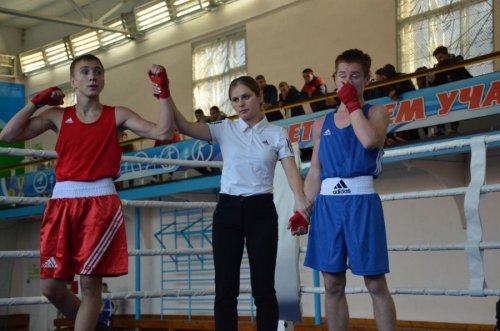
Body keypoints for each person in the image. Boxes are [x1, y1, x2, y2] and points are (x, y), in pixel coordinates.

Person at [0, 54, 174, 331]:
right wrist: (36, 102)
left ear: (103, 80)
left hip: (100, 202)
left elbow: (163, 133)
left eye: (97, 72)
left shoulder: (118, 114)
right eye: (85, 72)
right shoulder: (57, 116)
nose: (92, 76)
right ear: (73, 81)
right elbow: (8, 136)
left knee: (90, 284)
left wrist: (163, 92)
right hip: (61, 203)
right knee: (50, 287)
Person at [149, 69, 310, 331]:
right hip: (228, 212)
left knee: (264, 289)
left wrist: (301, 202)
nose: (241, 103)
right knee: (225, 289)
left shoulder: (277, 134)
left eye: (246, 96)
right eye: (235, 99)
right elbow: (184, 126)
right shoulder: (225, 129)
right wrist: (165, 94)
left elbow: (292, 170)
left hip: (261, 210)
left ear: (260, 97)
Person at [302, 49, 396, 331]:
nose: (347, 81)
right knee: (331, 282)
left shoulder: (376, 112)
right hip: (328, 206)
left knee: (374, 282)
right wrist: (303, 208)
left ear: (367, 78)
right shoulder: (322, 124)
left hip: (361, 203)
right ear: (333, 78)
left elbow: (369, 141)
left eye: (354, 75)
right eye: (342, 75)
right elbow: (315, 170)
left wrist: (353, 105)